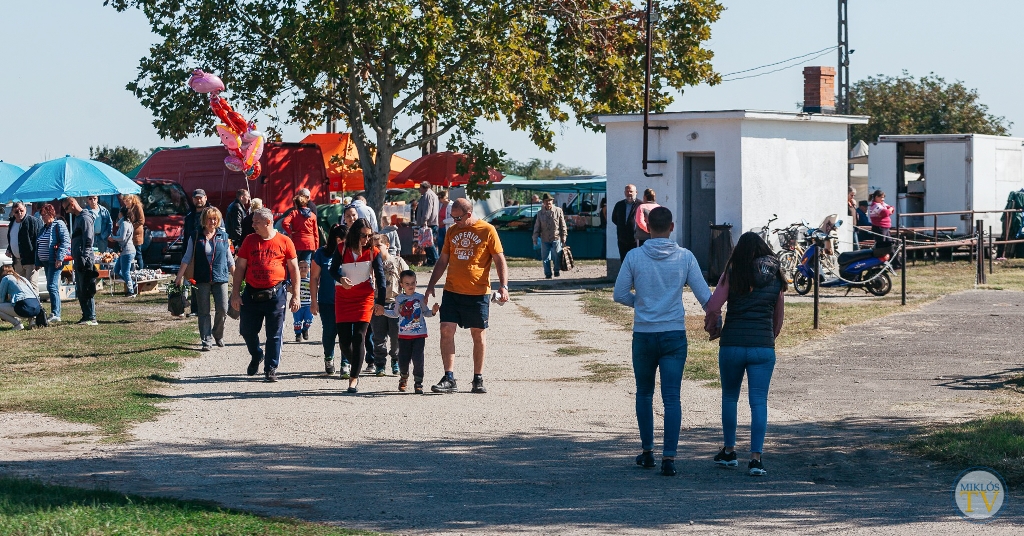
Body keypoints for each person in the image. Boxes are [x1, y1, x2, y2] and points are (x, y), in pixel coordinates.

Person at [613, 206, 712, 477]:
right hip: (673, 335)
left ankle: (647, 452)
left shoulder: (634, 256)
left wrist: (642, 303)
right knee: (672, 397)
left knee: (644, 393)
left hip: (644, 334)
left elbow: (619, 294)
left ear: (646, 227)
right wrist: (716, 317)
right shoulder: (685, 257)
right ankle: (669, 457)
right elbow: (704, 296)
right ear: (672, 227)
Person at [704, 232, 787, 477]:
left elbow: (713, 306)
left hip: (732, 345)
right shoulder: (776, 276)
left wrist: (713, 326)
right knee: (758, 402)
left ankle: (729, 452)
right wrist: (768, 337)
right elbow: (778, 317)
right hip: (762, 346)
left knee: (730, 398)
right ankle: (756, 459)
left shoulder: (732, 272)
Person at [424, 198, 509, 394]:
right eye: (452, 218)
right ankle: (449, 377)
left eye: (458, 217)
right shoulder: (452, 231)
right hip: (452, 291)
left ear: (469, 214)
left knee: (477, 334)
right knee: (446, 330)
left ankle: (477, 378)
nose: (455, 221)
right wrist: (430, 286)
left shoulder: (487, 230)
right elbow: (443, 260)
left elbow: (499, 259)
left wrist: (503, 286)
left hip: (478, 292)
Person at [231, 208, 301, 382]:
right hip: (251, 293)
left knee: (274, 334)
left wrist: (296, 295)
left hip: (276, 295)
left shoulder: (285, 241)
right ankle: (256, 354)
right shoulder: (249, 241)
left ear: (268, 222)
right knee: (247, 331)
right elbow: (240, 268)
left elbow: (294, 269)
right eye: (253, 222)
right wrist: (235, 293)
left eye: (256, 222)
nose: (252, 225)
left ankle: (271, 368)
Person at [329, 218, 387, 393]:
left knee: (360, 337)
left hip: (364, 298)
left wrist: (381, 303)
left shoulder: (373, 252)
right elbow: (332, 270)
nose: (366, 239)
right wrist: (340, 278)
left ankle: (353, 379)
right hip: (343, 298)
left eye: (369, 236)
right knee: (345, 342)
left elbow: (381, 279)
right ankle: (357, 363)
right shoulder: (342, 248)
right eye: (363, 235)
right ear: (354, 233)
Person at [177, 207, 235, 351]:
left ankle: (218, 333)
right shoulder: (195, 235)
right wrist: (179, 277)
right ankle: (206, 340)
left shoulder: (223, 236)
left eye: (215, 218)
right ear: (204, 220)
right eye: (209, 218)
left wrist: (238, 279)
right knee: (203, 311)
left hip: (220, 277)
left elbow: (230, 260)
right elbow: (187, 257)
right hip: (201, 278)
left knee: (223, 308)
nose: (212, 221)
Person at [383, 269, 440, 394]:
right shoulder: (398, 299)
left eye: (413, 283)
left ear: (416, 283)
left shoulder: (420, 298)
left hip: (419, 335)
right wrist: (383, 312)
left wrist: (434, 311)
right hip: (403, 336)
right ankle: (403, 377)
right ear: (401, 285)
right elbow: (395, 313)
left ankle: (418, 382)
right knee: (403, 360)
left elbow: (426, 312)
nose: (410, 286)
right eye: (407, 283)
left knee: (418, 359)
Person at [310, 224, 349, 377]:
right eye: (341, 240)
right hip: (327, 301)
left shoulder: (352, 253)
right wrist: (314, 301)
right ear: (334, 239)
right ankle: (329, 357)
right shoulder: (322, 253)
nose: (344, 243)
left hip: (347, 301)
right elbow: (313, 278)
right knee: (329, 332)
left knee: (346, 333)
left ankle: (345, 363)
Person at [371, 233, 409, 375]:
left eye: (378, 245)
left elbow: (408, 277)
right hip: (378, 303)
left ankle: (396, 360)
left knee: (396, 336)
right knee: (378, 336)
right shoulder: (371, 264)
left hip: (395, 304)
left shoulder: (397, 261)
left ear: (387, 245)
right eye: (372, 246)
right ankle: (380, 363)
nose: (375, 248)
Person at [63, 197, 98, 326]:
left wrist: (84, 257)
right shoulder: (78, 218)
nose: (66, 212)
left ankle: (91, 317)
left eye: (66, 208)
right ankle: (86, 315)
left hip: (85, 259)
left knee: (87, 287)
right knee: (81, 288)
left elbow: (88, 239)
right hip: (79, 258)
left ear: (72, 204)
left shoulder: (85, 218)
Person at [35, 203, 69, 323]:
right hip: (46, 262)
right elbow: (38, 244)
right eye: (41, 215)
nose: (43, 217)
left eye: (44, 215)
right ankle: (54, 312)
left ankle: (56, 313)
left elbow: (65, 242)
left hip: (55, 261)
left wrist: (59, 258)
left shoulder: (58, 224)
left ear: (50, 214)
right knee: (51, 286)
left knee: (52, 286)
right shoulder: (44, 228)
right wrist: (37, 261)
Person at [532, 193, 568, 279]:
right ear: (543, 202)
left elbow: (563, 225)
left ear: (552, 201)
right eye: (546, 201)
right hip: (544, 238)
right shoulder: (540, 213)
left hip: (555, 237)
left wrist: (564, 236)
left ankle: (556, 270)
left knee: (556, 255)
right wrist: (535, 237)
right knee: (545, 257)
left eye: (550, 201)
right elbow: (537, 226)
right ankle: (548, 273)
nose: (548, 202)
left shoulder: (558, 211)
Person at [6, 201, 42, 280]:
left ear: (25, 209)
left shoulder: (33, 221)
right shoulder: (12, 223)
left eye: (21, 210)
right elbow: (13, 239)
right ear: (13, 212)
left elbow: (39, 242)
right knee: (20, 287)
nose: (19, 213)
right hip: (17, 261)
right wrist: (9, 249)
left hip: (31, 261)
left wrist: (38, 260)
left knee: (31, 287)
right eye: (16, 211)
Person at [0, 264, 43, 330]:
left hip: (25, 308)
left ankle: (17, 324)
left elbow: (1, 298)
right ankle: (31, 322)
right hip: (37, 308)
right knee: (28, 302)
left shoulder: (6, 278)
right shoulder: (23, 278)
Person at [284, 193, 319, 262]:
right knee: (306, 265)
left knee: (294, 264)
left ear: (296, 204)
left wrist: (290, 232)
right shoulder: (312, 215)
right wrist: (316, 246)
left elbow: (285, 223)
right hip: (309, 243)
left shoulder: (294, 213)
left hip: (297, 242)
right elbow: (316, 233)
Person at [112, 206, 137, 297]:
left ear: (122, 213)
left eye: (119, 212)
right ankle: (133, 283)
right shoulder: (126, 223)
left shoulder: (125, 224)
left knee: (125, 271)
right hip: (125, 251)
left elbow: (122, 238)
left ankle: (131, 291)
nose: (118, 214)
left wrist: (113, 238)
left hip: (128, 250)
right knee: (117, 270)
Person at [611, 184, 639, 260]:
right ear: (624, 193)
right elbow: (614, 218)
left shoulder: (640, 205)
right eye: (627, 191)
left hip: (635, 239)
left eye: (631, 191)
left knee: (635, 260)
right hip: (622, 239)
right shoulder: (619, 205)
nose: (629, 193)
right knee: (624, 260)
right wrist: (623, 226)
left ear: (636, 192)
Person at [416, 181, 440, 266]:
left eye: (420, 188)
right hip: (431, 222)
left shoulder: (428, 195)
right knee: (427, 243)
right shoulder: (433, 195)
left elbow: (428, 209)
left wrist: (425, 220)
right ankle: (431, 261)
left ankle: (435, 260)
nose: (419, 190)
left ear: (424, 187)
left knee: (429, 243)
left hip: (429, 223)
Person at [289, 260, 313, 342]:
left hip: (308, 305)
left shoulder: (311, 281)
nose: (303, 269)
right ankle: (298, 334)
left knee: (309, 319)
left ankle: (305, 329)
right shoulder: (295, 281)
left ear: (309, 269)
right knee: (297, 321)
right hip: (297, 305)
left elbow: (314, 292)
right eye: (301, 267)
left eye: (305, 267)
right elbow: (289, 288)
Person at [119, 194, 145, 269]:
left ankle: (140, 270)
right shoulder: (126, 207)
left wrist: (130, 226)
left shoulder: (137, 206)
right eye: (124, 201)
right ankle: (131, 269)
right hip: (129, 235)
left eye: (127, 201)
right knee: (129, 252)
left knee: (138, 253)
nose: (126, 202)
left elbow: (141, 221)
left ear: (132, 199)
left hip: (136, 234)